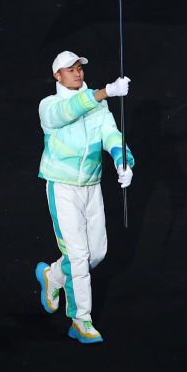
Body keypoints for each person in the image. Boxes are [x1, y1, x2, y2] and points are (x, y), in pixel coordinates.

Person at [33, 50, 134, 344]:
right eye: (70, 69)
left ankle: (53, 276)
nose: (77, 73)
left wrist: (122, 160)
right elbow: (69, 111)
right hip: (62, 187)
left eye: (79, 68)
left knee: (97, 253)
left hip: (92, 186)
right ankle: (81, 320)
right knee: (78, 255)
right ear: (57, 76)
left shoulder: (97, 106)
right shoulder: (49, 106)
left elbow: (112, 134)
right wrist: (106, 92)